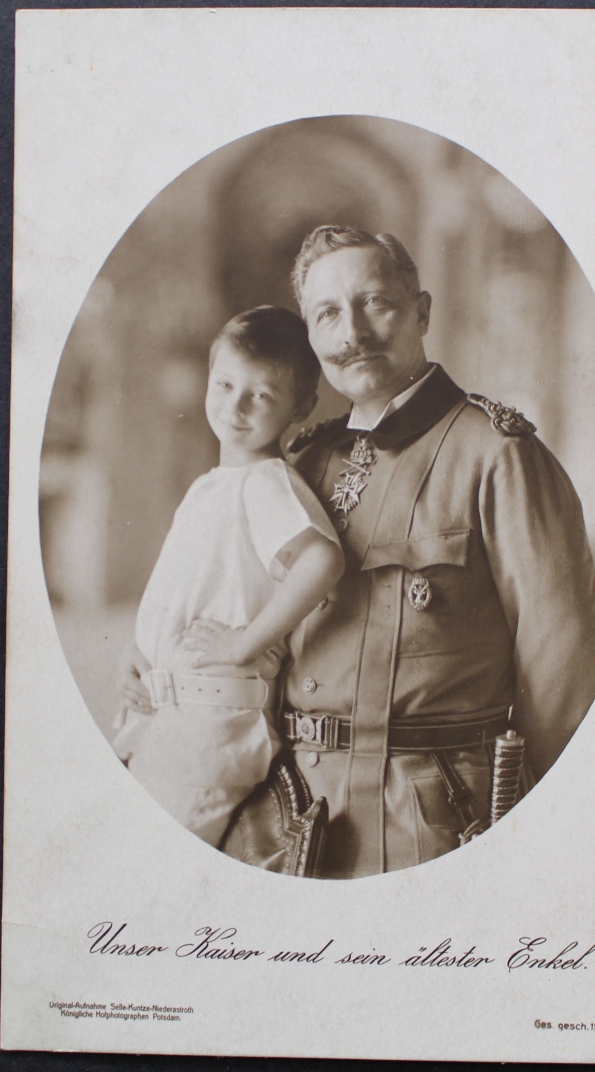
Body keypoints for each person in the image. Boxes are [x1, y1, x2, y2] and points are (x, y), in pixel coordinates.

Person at [220, 225, 595, 878]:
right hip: (289, 825)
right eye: (327, 314)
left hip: (434, 829)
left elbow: (565, 684)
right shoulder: (301, 464)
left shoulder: (498, 456)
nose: (353, 333)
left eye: (374, 302)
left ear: (421, 311)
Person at [111, 306, 344, 846]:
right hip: (171, 714)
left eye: (261, 395)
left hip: (212, 727)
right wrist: (139, 648)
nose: (235, 406)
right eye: (225, 385)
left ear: (300, 407)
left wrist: (243, 642)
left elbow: (322, 562)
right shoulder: (214, 485)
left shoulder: (264, 482)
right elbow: (191, 589)